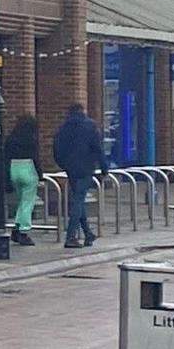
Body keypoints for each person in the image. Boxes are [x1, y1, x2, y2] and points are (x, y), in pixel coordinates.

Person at [52, 101, 107, 249]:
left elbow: (56, 150)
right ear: (82, 111)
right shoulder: (90, 126)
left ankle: (88, 233)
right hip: (86, 169)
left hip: (71, 169)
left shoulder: (64, 128)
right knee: (78, 200)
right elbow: (98, 149)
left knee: (79, 199)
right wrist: (104, 168)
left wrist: (64, 165)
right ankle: (71, 236)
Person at [2, 111, 42, 246]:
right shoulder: (31, 139)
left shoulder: (11, 139)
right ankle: (22, 230)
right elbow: (36, 158)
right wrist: (40, 174)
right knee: (27, 203)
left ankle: (17, 227)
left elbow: (5, 157)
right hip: (28, 168)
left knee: (21, 201)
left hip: (14, 168)